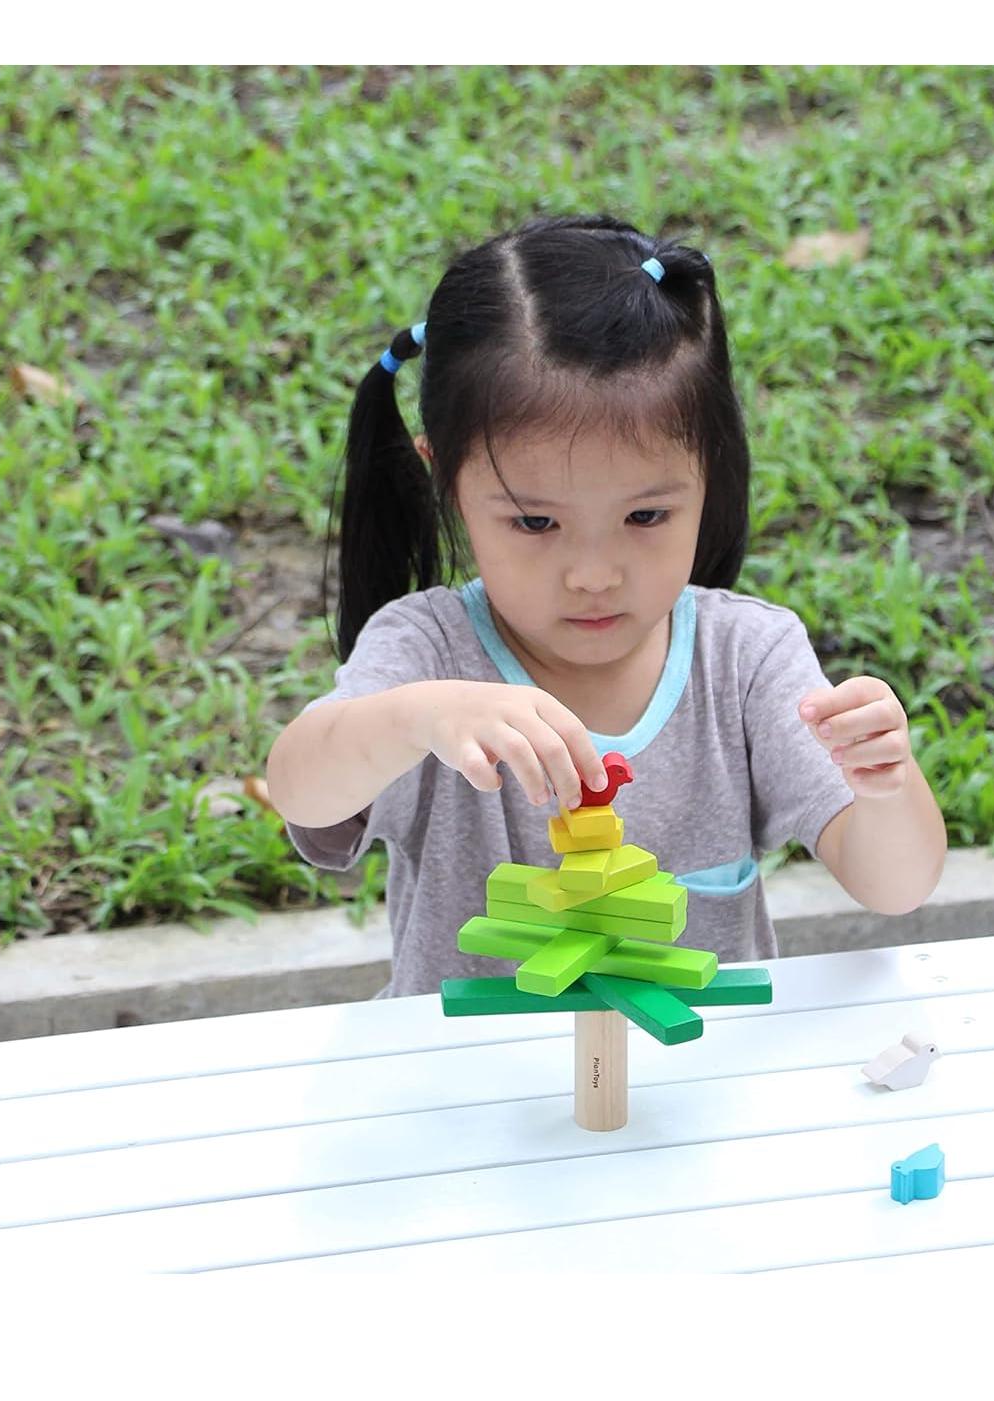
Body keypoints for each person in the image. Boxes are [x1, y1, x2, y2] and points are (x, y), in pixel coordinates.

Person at [265, 213, 947, 998]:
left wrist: (886, 784)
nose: (593, 574)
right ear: (444, 479)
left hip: (700, 1085)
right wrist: (418, 716)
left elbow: (895, 888)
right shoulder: (428, 652)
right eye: (534, 522)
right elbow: (299, 787)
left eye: (646, 518)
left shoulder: (746, 659)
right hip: (469, 1095)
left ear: (708, 474)